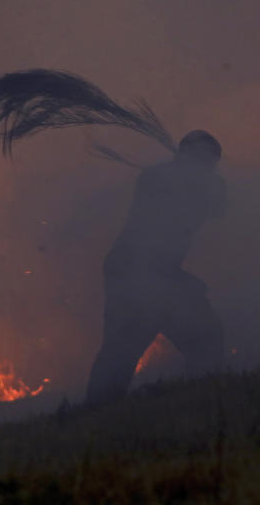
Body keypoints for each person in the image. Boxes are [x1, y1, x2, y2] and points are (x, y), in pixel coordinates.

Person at [85, 130, 227, 404]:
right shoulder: (159, 179)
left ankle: (199, 401)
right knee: (124, 349)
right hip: (138, 270)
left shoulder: (198, 183)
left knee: (202, 337)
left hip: (152, 272)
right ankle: (98, 414)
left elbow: (219, 212)